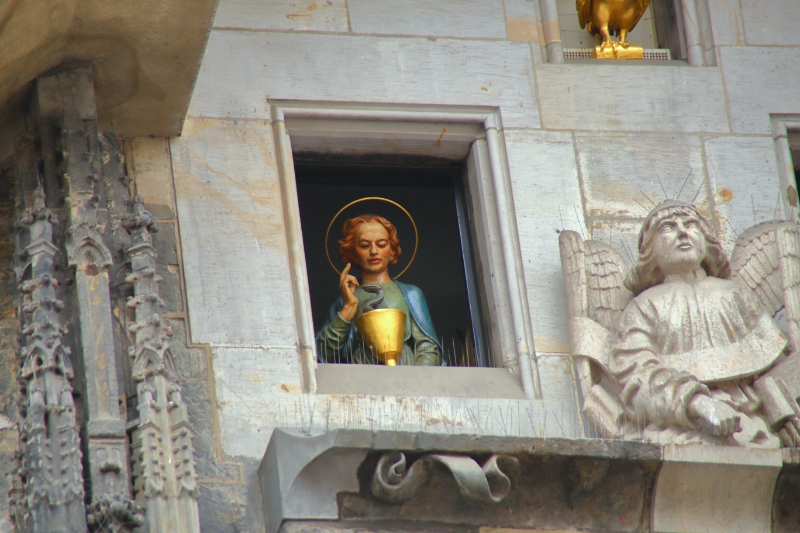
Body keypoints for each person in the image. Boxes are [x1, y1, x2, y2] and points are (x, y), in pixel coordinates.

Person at [611, 200, 797, 447]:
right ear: (650, 251)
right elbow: (637, 377)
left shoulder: (736, 295)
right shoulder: (643, 306)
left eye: (691, 225)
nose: (682, 232)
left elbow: (774, 365)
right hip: (682, 425)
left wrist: (780, 413)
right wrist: (697, 403)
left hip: (753, 423)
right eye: (667, 228)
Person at [316, 214, 441, 366]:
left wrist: (416, 380)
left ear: (392, 250)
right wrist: (348, 309)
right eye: (364, 245)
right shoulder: (345, 300)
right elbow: (322, 355)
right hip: (362, 371)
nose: (374, 251)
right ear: (353, 252)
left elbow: (427, 347)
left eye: (381, 244)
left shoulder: (411, 294)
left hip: (404, 369)